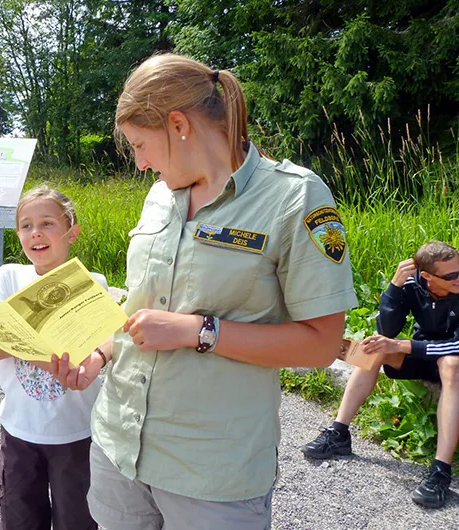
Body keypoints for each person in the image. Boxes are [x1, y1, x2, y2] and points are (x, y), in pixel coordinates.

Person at [47, 54, 358, 529]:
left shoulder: (294, 198)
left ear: (179, 125)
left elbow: (321, 343)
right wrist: (97, 357)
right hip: (118, 446)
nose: (139, 162)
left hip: (213, 471)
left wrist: (200, 331)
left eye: (140, 145)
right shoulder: (158, 197)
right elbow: (141, 312)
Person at [0, 186, 106, 530]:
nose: (35, 232)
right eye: (26, 225)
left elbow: (91, 356)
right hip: (19, 430)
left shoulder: (92, 284)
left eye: (48, 223)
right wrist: (47, 343)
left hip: (77, 433)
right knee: (20, 519)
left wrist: (18, 331)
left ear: (72, 232)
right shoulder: (8, 277)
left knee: (78, 521)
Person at [302, 240, 459, 509]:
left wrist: (404, 345)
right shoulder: (413, 284)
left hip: (452, 361)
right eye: (452, 275)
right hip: (425, 353)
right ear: (428, 276)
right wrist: (395, 287)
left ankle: (441, 470)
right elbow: (387, 328)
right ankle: (339, 433)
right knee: (375, 346)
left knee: (451, 365)